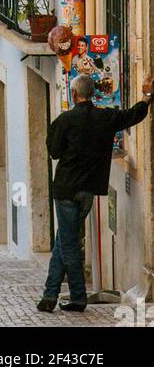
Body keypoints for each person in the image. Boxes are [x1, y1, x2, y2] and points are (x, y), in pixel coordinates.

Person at [39, 70, 152, 312]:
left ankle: (78, 297)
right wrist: (147, 96)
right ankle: (49, 296)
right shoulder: (106, 117)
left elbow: (54, 152)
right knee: (64, 239)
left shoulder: (64, 121)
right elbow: (133, 115)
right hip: (89, 189)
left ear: (74, 94)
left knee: (68, 242)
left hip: (66, 189)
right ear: (93, 94)